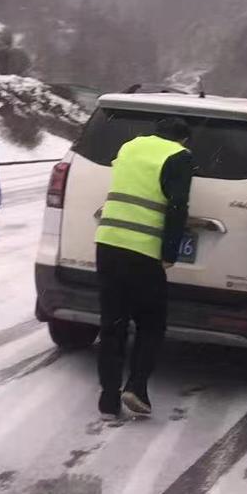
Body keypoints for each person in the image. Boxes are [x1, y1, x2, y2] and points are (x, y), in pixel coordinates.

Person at [93, 118, 194, 420]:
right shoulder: (179, 156)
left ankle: (108, 399)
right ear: (183, 139)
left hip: (108, 244)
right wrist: (169, 252)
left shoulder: (129, 147)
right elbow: (178, 206)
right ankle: (136, 387)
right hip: (143, 252)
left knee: (113, 324)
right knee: (151, 323)